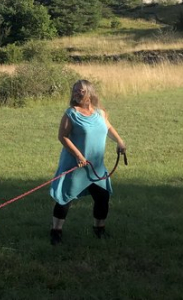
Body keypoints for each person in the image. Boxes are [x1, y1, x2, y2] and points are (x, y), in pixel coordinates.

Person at [49, 79, 127, 245]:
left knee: (103, 197)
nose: (76, 93)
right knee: (65, 198)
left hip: (96, 166)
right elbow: (62, 136)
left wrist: (120, 142)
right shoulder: (71, 113)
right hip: (75, 164)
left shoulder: (100, 113)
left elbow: (108, 128)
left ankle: (99, 229)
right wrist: (78, 155)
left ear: (90, 93)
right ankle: (56, 232)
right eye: (75, 90)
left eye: (81, 91)